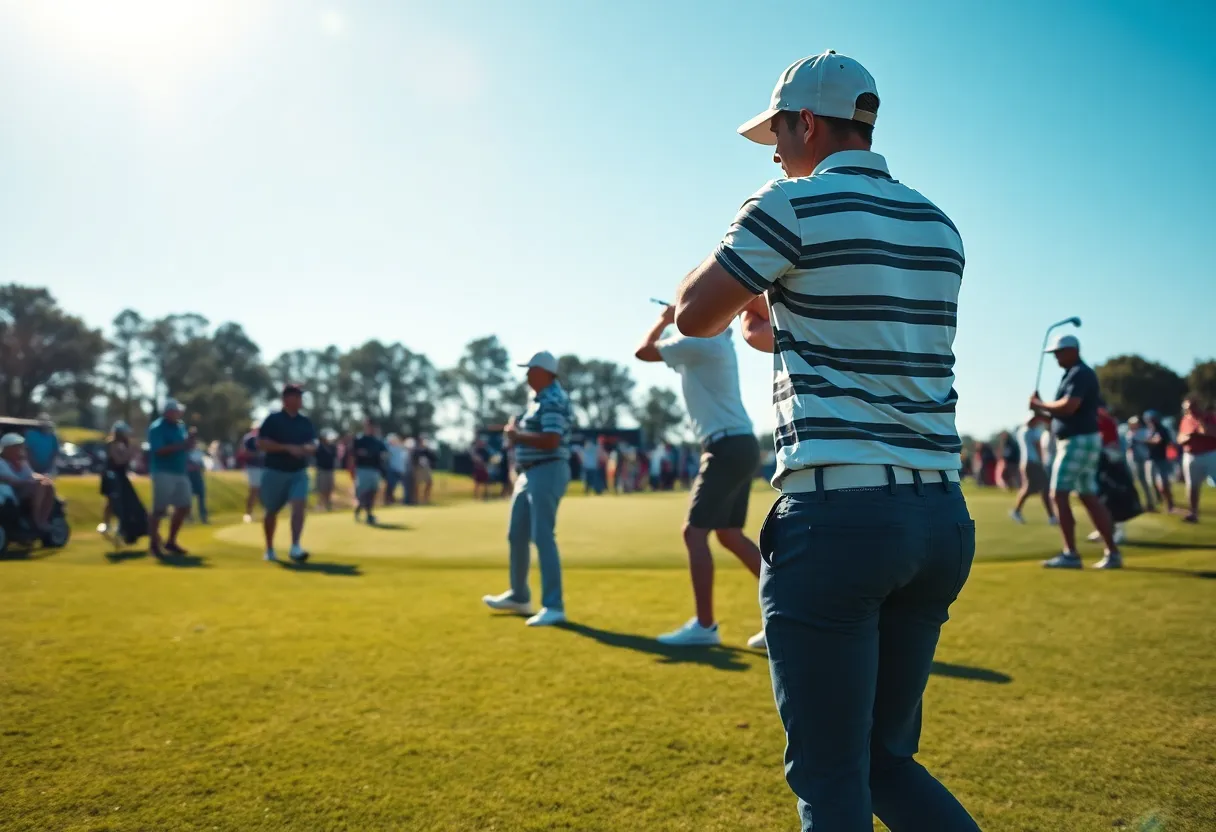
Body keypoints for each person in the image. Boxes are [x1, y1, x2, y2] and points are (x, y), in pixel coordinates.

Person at [673, 51, 978, 830]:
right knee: (885, 763)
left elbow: (693, 314)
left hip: (841, 517)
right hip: (940, 517)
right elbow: (873, 337)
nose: (774, 152)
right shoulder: (937, 223)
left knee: (831, 777)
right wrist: (781, 328)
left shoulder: (787, 205)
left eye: (777, 132)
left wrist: (748, 249)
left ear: (806, 122)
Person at [635, 304, 765, 649]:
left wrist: (665, 319)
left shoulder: (698, 343)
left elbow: (643, 352)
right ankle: (787, 613)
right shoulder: (714, 342)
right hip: (740, 443)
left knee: (693, 533)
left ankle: (705, 626)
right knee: (729, 535)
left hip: (726, 446)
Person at [482, 351, 572, 628]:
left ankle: (554, 605)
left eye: (531, 369)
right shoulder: (537, 399)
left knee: (542, 536)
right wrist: (518, 430)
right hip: (529, 473)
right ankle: (519, 595)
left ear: (544, 372)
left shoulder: (552, 399)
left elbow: (551, 440)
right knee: (517, 534)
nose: (527, 375)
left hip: (547, 470)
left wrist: (517, 435)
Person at [1031, 335, 1122, 569]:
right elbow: (1062, 412)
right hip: (1082, 439)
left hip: (1077, 441)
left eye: (1059, 353)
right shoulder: (1074, 373)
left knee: (1058, 494)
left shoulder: (1079, 373)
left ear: (1072, 350)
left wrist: (1040, 404)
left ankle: (1070, 554)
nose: (1056, 357)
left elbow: (1069, 406)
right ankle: (1112, 553)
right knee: (1087, 495)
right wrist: (1042, 410)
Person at [256, 384, 316, 562]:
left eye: (300, 396)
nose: (300, 400)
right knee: (271, 511)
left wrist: (307, 448)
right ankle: (269, 548)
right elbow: (261, 443)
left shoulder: (304, 422)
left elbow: (313, 443)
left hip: (298, 471)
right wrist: (287, 448)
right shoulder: (273, 420)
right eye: (296, 396)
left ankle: (295, 546)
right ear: (286, 399)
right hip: (275, 471)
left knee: (299, 505)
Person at [146, 399, 193, 558]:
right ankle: (153, 544)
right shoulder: (157, 428)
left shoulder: (180, 426)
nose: (179, 413)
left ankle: (171, 541)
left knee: (184, 506)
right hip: (163, 472)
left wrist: (189, 443)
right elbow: (159, 450)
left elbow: (184, 447)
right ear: (168, 412)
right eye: (177, 411)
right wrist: (182, 445)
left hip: (180, 472)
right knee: (159, 509)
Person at [0, 433, 57, 530]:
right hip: (11, 494)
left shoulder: (21, 462)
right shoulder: (2, 463)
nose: (20, 449)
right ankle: (36, 520)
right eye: (16, 447)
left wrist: (43, 477)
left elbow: (31, 474)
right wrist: (31, 482)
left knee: (48, 484)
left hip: (24, 490)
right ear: (7, 448)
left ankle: (43, 519)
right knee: (39, 486)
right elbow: (13, 482)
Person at [1010, 414, 1057, 525]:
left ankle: (1051, 516)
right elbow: (1038, 447)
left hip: (1025, 462)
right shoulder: (1033, 431)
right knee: (1038, 488)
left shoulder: (1021, 430)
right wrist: (1042, 461)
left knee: (1037, 488)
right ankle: (1017, 511)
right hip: (1034, 463)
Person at [1177, 398, 1216, 523]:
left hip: (1210, 453)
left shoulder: (1210, 417)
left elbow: (1210, 432)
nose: (1190, 411)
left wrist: (1200, 422)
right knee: (1192, 486)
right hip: (1191, 455)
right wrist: (1187, 437)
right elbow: (1179, 438)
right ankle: (1193, 513)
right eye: (1187, 408)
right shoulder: (1185, 419)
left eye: (1192, 407)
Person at [98, 422, 133, 535]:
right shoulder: (111, 444)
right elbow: (118, 460)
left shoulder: (125, 444)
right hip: (111, 476)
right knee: (111, 501)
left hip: (121, 475)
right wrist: (127, 455)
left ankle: (121, 525)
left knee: (123, 502)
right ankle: (106, 523)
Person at [352, 418, 387, 524]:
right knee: (364, 492)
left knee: (372, 492)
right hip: (363, 469)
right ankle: (366, 512)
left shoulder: (377, 441)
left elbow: (384, 453)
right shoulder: (360, 439)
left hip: (375, 469)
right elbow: (354, 453)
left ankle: (366, 512)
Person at [1143, 410, 1177, 513]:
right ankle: (1160, 501)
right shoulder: (1150, 430)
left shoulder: (1162, 429)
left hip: (1161, 459)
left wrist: (1143, 441)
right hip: (1151, 459)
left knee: (1163, 483)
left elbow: (1158, 441)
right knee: (1152, 482)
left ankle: (1169, 503)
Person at [1124, 415, 1157, 511]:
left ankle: (1150, 501)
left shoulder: (1143, 432)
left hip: (1144, 459)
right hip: (1133, 460)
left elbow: (1149, 441)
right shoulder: (1129, 434)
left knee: (1146, 481)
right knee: (1138, 481)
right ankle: (1144, 502)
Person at [238, 421, 262, 523]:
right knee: (254, 490)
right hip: (253, 467)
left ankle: (267, 512)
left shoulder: (265, 438)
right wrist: (257, 454)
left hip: (263, 467)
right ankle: (248, 513)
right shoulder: (249, 439)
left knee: (264, 491)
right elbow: (244, 452)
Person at [186, 426, 209, 525]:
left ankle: (203, 516)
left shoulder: (198, 451)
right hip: (188, 476)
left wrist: (199, 467)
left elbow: (202, 465)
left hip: (198, 475)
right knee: (188, 497)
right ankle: (188, 517)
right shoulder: (185, 451)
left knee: (201, 496)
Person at [314, 429, 339, 511]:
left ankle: (328, 505)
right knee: (322, 489)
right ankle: (320, 505)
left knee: (329, 488)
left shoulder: (332, 447)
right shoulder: (319, 447)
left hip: (330, 470)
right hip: (321, 470)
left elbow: (334, 456)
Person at [413, 438, 435, 505]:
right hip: (418, 468)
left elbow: (434, 458)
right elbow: (414, 458)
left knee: (429, 482)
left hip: (426, 468)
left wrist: (427, 450)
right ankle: (416, 500)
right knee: (417, 484)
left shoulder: (428, 451)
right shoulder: (416, 450)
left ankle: (425, 499)